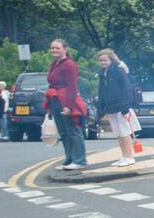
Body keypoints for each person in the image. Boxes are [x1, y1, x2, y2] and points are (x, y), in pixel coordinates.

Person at [45, 38, 88, 170]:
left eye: (57, 48)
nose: (54, 50)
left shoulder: (69, 64)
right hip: (55, 99)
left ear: (64, 49)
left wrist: (69, 106)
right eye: (52, 48)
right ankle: (69, 159)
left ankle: (80, 160)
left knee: (73, 130)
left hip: (66, 100)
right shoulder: (54, 64)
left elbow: (72, 86)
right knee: (63, 132)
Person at [97, 49, 137, 167]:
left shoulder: (118, 71)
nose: (103, 62)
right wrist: (101, 106)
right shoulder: (102, 73)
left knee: (125, 132)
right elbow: (101, 91)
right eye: (101, 60)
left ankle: (129, 157)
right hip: (111, 107)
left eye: (105, 60)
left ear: (111, 60)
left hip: (121, 106)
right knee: (119, 133)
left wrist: (125, 107)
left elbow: (126, 89)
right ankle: (124, 156)